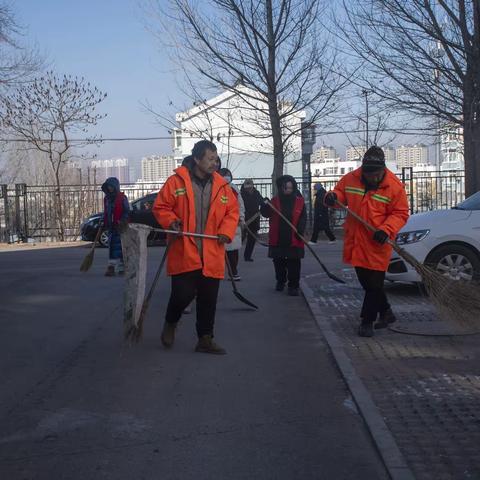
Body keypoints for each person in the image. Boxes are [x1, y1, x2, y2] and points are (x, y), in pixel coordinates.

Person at [152, 140, 239, 354]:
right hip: (185, 247)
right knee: (183, 294)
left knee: (209, 298)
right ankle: (171, 322)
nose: (214, 163)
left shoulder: (222, 186)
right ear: (197, 159)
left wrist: (226, 232)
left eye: (215, 159)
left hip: (212, 249)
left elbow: (232, 212)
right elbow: (161, 207)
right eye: (210, 159)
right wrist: (172, 221)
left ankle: (205, 339)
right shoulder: (176, 182)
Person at [324, 146, 409, 337]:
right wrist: (332, 197)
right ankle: (386, 312)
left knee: (374, 285)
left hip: (377, 243)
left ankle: (367, 321)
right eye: (368, 173)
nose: (371, 177)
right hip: (356, 241)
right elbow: (340, 193)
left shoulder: (394, 187)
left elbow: (401, 213)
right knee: (367, 283)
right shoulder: (351, 178)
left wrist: (385, 230)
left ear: (382, 170)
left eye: (375, 174)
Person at [261, 175, 306, 296]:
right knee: (278, 262)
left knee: (294, 263)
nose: (288, 190)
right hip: (278, 237)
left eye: (290, 188)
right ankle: (280, 281)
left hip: (294, 237)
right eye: (286, 188)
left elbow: (303, 217)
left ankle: (293, 285)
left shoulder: (299, 201)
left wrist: (300, 230)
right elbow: (266, 213)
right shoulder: (274, 201)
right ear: (281, 188)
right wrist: (264, 205)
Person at [219, 168, 245, 281]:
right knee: (219, 252)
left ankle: (233, 272)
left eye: (228, 175)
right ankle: (216, 273)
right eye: (224, 175)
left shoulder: (234, 188)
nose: (227, 177)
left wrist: (241, 218)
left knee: (233, 251)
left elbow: (240, 205)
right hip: (219, 224)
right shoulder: (216, 188)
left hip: (234, 223)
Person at [101, 177, 130, 277]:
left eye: (111, 186)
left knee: (120, 247)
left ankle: (121, 267)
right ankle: (111, 267)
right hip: (111, 227)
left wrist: (123, 221)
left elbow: (126, 211)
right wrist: (103, 221)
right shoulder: (107, 199)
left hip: (120, 226)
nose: (110, 188)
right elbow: (106, 212)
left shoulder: (122, 198)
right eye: (108, 186)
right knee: (112, 247)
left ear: (115, 186)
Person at [240, 178, 263, 261]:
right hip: (244, 219)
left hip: (254, 219)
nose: (249, 189)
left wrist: (265, 202)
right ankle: (231, 254)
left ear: (253, 186)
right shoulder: (241, 194)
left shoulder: (257, 193)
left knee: (251, 239)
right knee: (240, 238)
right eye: (247, 187)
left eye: (250, 187)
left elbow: (261, 202)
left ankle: (247, 256)